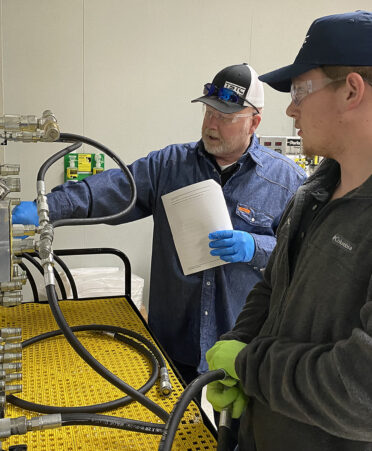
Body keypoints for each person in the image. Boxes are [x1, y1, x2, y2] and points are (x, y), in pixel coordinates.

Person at [12, 63, 305, 385]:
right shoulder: (169, 165)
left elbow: (302, 256)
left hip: (241, 344)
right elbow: (110, 190)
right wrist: (44, 207)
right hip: (175, 340)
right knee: (177, 425)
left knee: (236, 430)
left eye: (225, 117)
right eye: (208, 113)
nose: (211, 124)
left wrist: (257, 247)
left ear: (254, 122)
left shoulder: (285, 181)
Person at [206, 10, 372, 451]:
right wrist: (238, 346)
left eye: (300, 90)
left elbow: (364, 392)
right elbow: (272, 288)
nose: (290, 107)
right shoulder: (312, 193)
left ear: (352, 90)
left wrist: (252, 366)